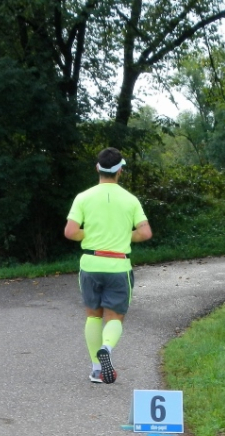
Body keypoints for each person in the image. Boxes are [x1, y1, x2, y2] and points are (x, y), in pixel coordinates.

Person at [64, 147, 152, 384]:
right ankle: (107, 347)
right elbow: (145, 233)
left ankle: (96, 370)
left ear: (97, 168)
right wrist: (124, 235)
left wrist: (90, 234)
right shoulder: (130, 200)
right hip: (118, 266)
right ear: (120, 170)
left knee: (93, 316)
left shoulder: (83, 197)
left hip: (90, 263)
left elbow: (70, 232)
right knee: (115, 317)